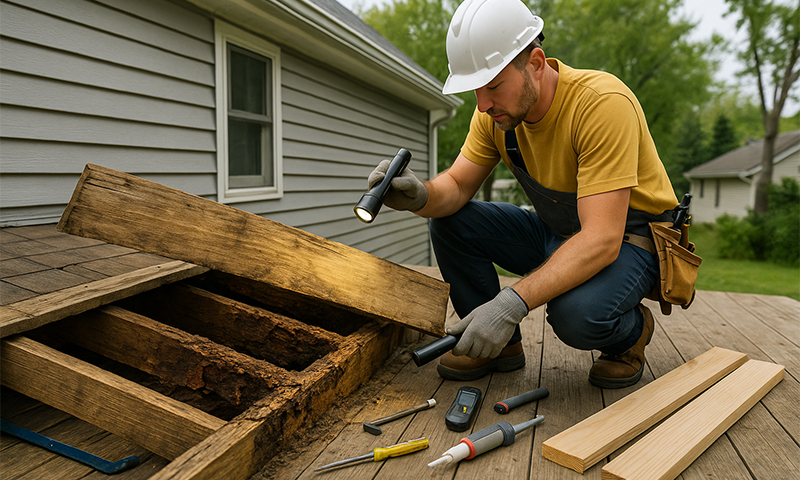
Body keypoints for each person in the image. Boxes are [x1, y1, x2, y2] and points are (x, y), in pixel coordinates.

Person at [367, 0, 678, 389]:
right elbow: (459, 186)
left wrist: (509, 304)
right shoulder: (495, 114)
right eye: (475, 89)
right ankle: (498, 347)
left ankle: (629, 334)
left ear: (534, 62)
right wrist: (420, 195)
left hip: (632, 240)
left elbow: (602, 238)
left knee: (576, 315)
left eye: (493, 85)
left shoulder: (600, 104)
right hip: (560, 229)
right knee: (450, 220)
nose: (483, 104)